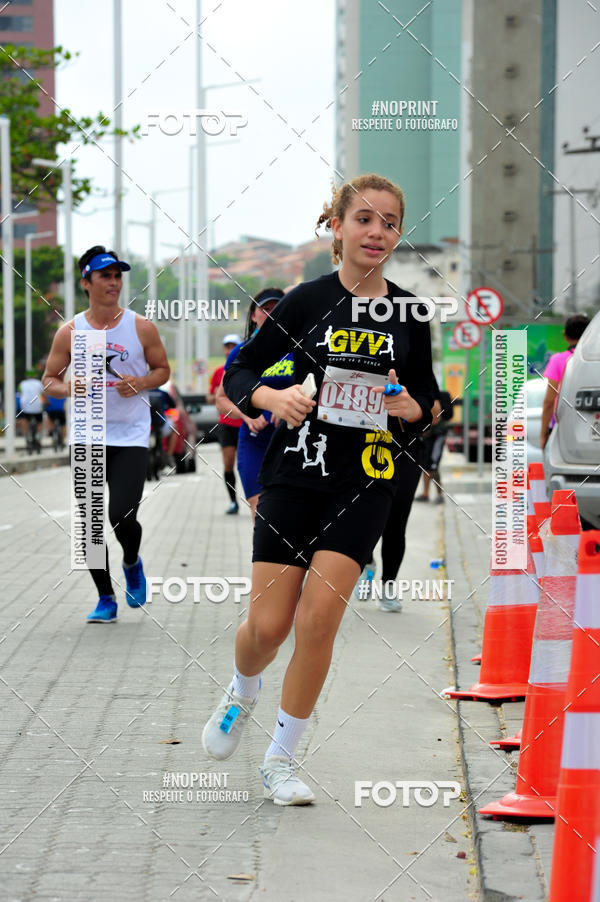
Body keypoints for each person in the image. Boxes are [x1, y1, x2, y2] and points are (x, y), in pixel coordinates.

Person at [201, 173, 433, 804]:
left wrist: (411, 406)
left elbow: (429, 400)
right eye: (364, 219)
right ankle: (243, 687)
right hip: (294, 477)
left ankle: (280, 759)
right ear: (337, 226)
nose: (376, 232)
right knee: (269, 626)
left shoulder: (411, 312)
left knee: (320, 619)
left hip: (366, 483)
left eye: (389, 222)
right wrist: (276, 395)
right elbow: (240, 370)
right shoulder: (306, 301)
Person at [42, 245, 170, 623]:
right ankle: (105, 598)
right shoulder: (70, 331)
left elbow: (163, 370)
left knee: (122, 515)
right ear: (86, 282)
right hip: (86, 434)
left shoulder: (140, 327)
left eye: (117, 276)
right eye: (105, 276)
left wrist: (142, 382)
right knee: (90, 522)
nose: (114, 283)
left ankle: (132, 561)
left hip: (130, 435)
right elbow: (50, 380)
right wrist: (69, 388)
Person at [216, 289, 293, 523]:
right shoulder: (241, 352)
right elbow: (221, 399)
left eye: (276, 309)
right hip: (254, 441)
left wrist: (288, 408)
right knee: (260, 511)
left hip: (291, 441)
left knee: (291, 514)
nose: (270, 315)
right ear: (253, 315)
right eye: (265, 310)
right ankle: (265, 559)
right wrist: (247, 415)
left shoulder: (299, 349)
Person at [540, 314, 590, 450]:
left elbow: (549, 401)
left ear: (565, 335)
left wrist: (543, 434)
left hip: (562, 426)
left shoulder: (558, 360)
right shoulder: (594, 361)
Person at [208, 334, 243, 513]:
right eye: (227, 347)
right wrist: (217, 393)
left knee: (248, 464)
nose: (230, 350)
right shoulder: (217, 372)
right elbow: (209, 398)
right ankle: (233, 501)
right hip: (227, 423)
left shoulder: (245, 369)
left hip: (247, 423)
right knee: (228, 463)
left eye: (233, 346)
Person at [414, 381, 453, 503]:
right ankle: (425, 493)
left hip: (438, 435)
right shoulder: (424, 395)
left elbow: (444, 416)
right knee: (425, 465)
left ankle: (440, 494)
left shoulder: (441, 396)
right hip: (426, 436)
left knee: (433, 465)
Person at [18, 369, 45, 445]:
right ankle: (37, 436)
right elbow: (43, 394)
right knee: (40, 422)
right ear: (34, 376)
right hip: (37, 406)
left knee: (25, 420)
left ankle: (26, 435)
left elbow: (20, 393)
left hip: (25, 406)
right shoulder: (39, 383)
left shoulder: (22, 383)